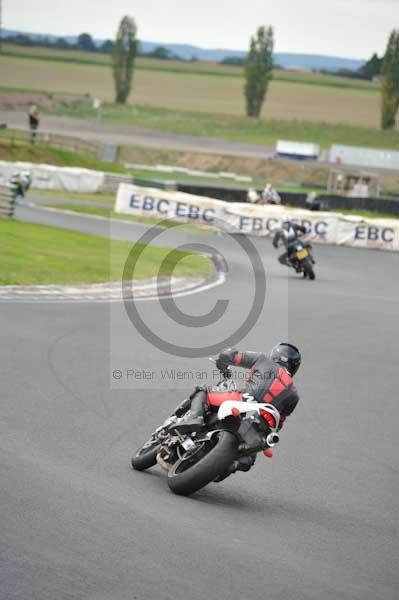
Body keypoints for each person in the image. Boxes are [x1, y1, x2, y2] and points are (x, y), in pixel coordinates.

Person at [175, 344, 301, 434]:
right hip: (262, 419)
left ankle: (194, 418)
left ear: (276, 354)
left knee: (203, 391)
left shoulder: (264, 359)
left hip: (245, 399)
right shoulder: (294, 395)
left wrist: (222, 362)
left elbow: (231, 355)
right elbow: (279, 423)